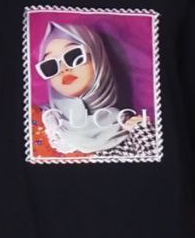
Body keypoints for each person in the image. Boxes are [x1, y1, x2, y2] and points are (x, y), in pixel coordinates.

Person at [30, 20, 152, 159]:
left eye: (74, 56)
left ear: (97, 58)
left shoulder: (135, 130)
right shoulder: (37, 122)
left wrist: (142, 131)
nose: (63, 69)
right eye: (50, 65)